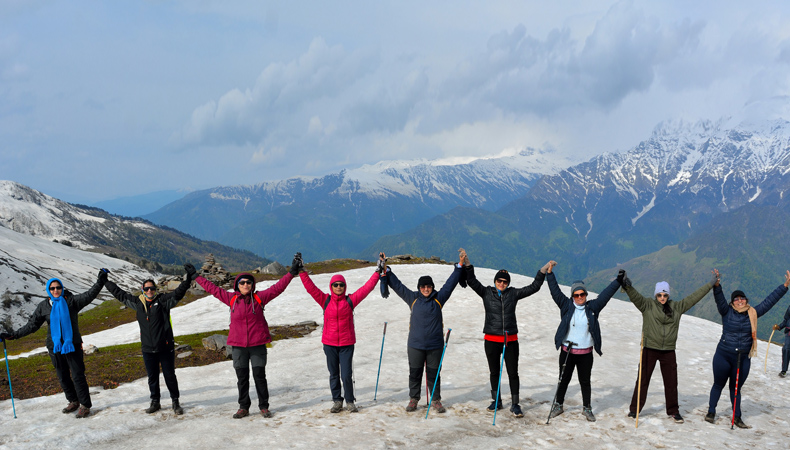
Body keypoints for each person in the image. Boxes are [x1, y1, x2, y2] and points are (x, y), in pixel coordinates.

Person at [193, 259, 298, 419]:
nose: (246, 285)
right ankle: (243, 407)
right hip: (238, 347)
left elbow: (278, 288)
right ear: (237, 285)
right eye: (242, 282)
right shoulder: (231, 299)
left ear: (252, 285)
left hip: (257, 345)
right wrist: (196, 277)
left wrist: (291, 273)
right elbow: (213, 289)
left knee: (259, 377)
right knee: (242, 379)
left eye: (249, 282)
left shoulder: (260, 298)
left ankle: (264, 407)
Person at [0, 270, 107, 418]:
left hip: (72, 344)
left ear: (62, 288)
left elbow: (89, 295)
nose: (55, 290)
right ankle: (73, 401)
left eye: (58, 287)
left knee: (77, 375)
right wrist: (14, 335)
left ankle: (85, 405)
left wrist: (100, 282)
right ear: (48, 290)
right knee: (62, 376)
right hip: (55, 346)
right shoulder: (44, 306)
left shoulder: (72, 301)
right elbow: (32, 325)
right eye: (52, 288)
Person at [619, 269, 716, 423]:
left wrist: (710, 284)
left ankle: (673, 411)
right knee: (642, 380)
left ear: (668, 295)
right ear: (655, 295)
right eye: (659, 295)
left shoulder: (677, 307)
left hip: (668, 351)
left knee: (671, 382)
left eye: (665, 295)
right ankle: (634, 409)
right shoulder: (647, 305)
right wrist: (626, 284)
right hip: (649, 348)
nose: (662, 298)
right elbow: (635, 296)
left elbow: (694, 297)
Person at [462, 250, 550, 417]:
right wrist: (467, 263)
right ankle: (497, 401)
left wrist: (542, 271)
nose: (501, 283)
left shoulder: (513, 294)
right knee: (494, 372)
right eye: (499, 280)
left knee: (512, 372)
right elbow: (472, 281)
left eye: (504, 281)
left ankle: (515, 404)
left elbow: (534, 287)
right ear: (495, 281)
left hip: (510, 339)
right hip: (491, 339)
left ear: (508, 283)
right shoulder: (486, 293)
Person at [103, 264, 195, 415]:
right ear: (142, 290)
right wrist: (106, 281)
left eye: (152, 288)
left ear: (155, 289)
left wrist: (188, 278)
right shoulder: (137, 303)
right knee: (152, 378)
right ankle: (155, 402)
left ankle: (175, 401)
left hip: (165, 347)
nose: (150, 291)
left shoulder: (164, 301)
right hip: (147, 348)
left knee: (169, 376)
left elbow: (178, 293)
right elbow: (120, 294)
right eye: (146, 289)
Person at [378, 251, 463, 413]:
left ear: (432, 287)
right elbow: (397, 285)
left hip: (435, 345)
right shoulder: (413, 298)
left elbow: (450, 284)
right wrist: (387, 270)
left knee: (434, 374)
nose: (426, 289)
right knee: (415, 373)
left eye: (428, 286)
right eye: (423, 286)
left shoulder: (439, 298)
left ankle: (435, 399)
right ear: (419, 288)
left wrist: (459, 267)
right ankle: (414, 399)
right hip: (415, 345)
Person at [296, 253, 380, 413]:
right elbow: (310, 288)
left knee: (346, 375)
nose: (339, 287)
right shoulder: (324, 300)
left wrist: (377, 272)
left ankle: (349, 401)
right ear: (331, 287)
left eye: (341, 284)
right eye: (336, 285)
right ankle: (337, 401)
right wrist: (302, 271)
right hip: (329, 344)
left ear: (345, 286)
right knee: (334, 374)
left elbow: (367, 288)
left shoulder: (351, 300)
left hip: (347, 344)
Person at [705, 270, 789, 428]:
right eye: (736, 299)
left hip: (743, 359)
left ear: (746, 300)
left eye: (742, 298)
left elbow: (769, 302)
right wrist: (716, 285)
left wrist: (784, 287)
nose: (739, 300)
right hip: (723, 356)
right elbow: (719, 298)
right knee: (718, 384)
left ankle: (737, 417)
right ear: (732, 302)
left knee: (736, 389)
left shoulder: (753, 313)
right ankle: (711, 411)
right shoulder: (726, 311)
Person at [545, 261, 620, 422]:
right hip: (567, 351)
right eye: (576, 295)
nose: (580, 297)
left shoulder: (593, 307)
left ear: (586, 295)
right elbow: (555, 292)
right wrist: (549, 274)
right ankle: (558, 405)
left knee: (585, 381)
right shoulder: (566, 305)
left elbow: (606, 295)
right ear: (572, 296)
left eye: (582, 294)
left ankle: (587, 408)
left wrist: (618, 281)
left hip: (586, 353)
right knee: (563, 379)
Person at [776, 303, 790, 377]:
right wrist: (779, 327)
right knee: (786, 349)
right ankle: (784, 370)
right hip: (789, 332)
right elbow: (786, 320)